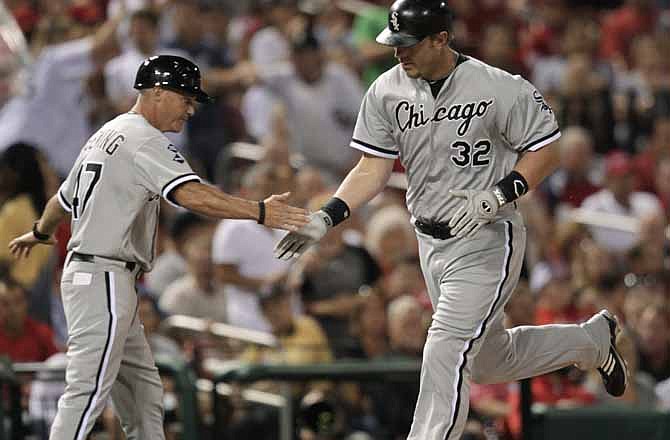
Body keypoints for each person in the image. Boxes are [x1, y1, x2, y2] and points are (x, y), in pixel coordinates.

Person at [274, 2, 629, 439]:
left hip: (486, 235)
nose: (398, 53)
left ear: (441, 39)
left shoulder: (497, 86)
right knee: (485, 360)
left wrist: (500, 193)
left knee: (443, 347)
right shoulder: (387, 89)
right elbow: (372, 167)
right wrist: (327, 216)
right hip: (429, 241)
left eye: (408, 44)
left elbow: (546, 149)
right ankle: (588, 342)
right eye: (394, 43)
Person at [8, 54, 308, 440]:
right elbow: (191, 195)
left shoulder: (106, 133)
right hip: (104, 276)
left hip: (102, 276)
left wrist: (40, 231)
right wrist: (259, 211)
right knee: (86, 392)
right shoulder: (143, 138)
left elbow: (61, 202)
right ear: (158, 92)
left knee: (144, 393)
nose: (190, 109)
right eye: (185, 98)